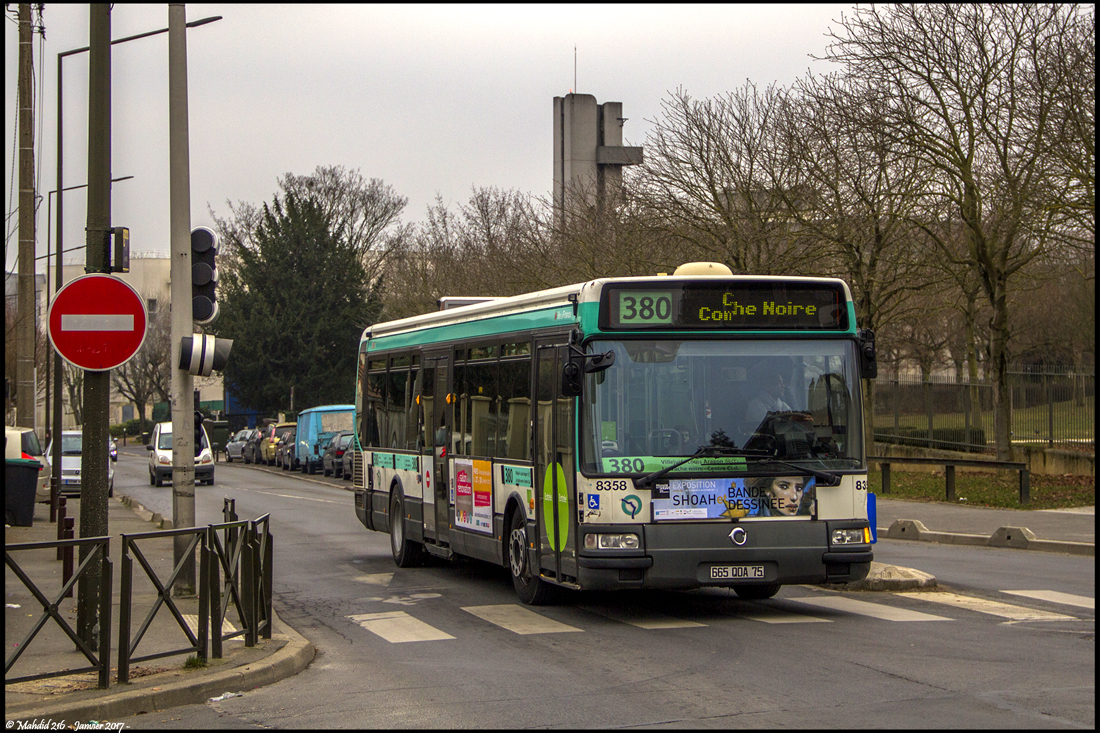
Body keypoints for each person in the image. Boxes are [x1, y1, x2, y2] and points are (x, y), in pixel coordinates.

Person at [747, 475, 813, 516]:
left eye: (799, 488)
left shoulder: (809, 520)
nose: (794, 497)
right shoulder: (748, 521)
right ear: (767, 489)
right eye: (784, 487)